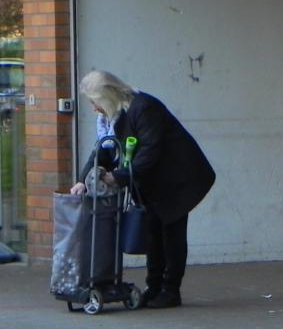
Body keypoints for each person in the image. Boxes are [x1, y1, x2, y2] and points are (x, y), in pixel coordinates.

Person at [71, 70, 214, 309]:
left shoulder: (144, 108)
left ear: (106, 96)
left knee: (171, 233)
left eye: (94, 101)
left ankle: (170, 290)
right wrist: (83, 180)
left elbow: (150, 150)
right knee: (153, 232)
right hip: (154, 180)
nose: (93, 108)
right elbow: (104, 149)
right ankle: (154, 286)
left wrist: (118, 176)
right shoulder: (113, 117)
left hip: (176, 179)